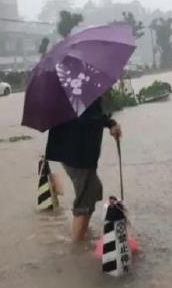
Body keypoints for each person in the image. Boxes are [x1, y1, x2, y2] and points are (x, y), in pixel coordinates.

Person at [46, 97, 122, 243]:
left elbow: (93, 115)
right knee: (85, 201)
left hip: (77, 154)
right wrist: (110, 124)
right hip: (77, 156)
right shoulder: (75, 93)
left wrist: (110, 123)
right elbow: (87, 118)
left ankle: (83, 235)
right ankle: (77, 249)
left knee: (93, 191)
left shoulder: (81, 91)